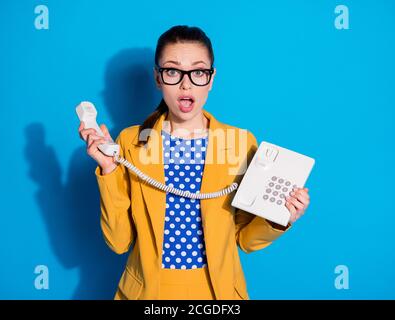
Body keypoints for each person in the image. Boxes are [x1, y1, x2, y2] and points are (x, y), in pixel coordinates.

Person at [78, 25, 310, 300]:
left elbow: (245, 240)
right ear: (158, 77)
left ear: (211, 79)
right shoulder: (131, 141)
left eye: (198, 72)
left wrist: (280, 217)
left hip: (217, 294)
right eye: (173, 71)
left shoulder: (240, 143)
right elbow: (119, 242)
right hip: (149, 293)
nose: (186, 84)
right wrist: (109, 169)